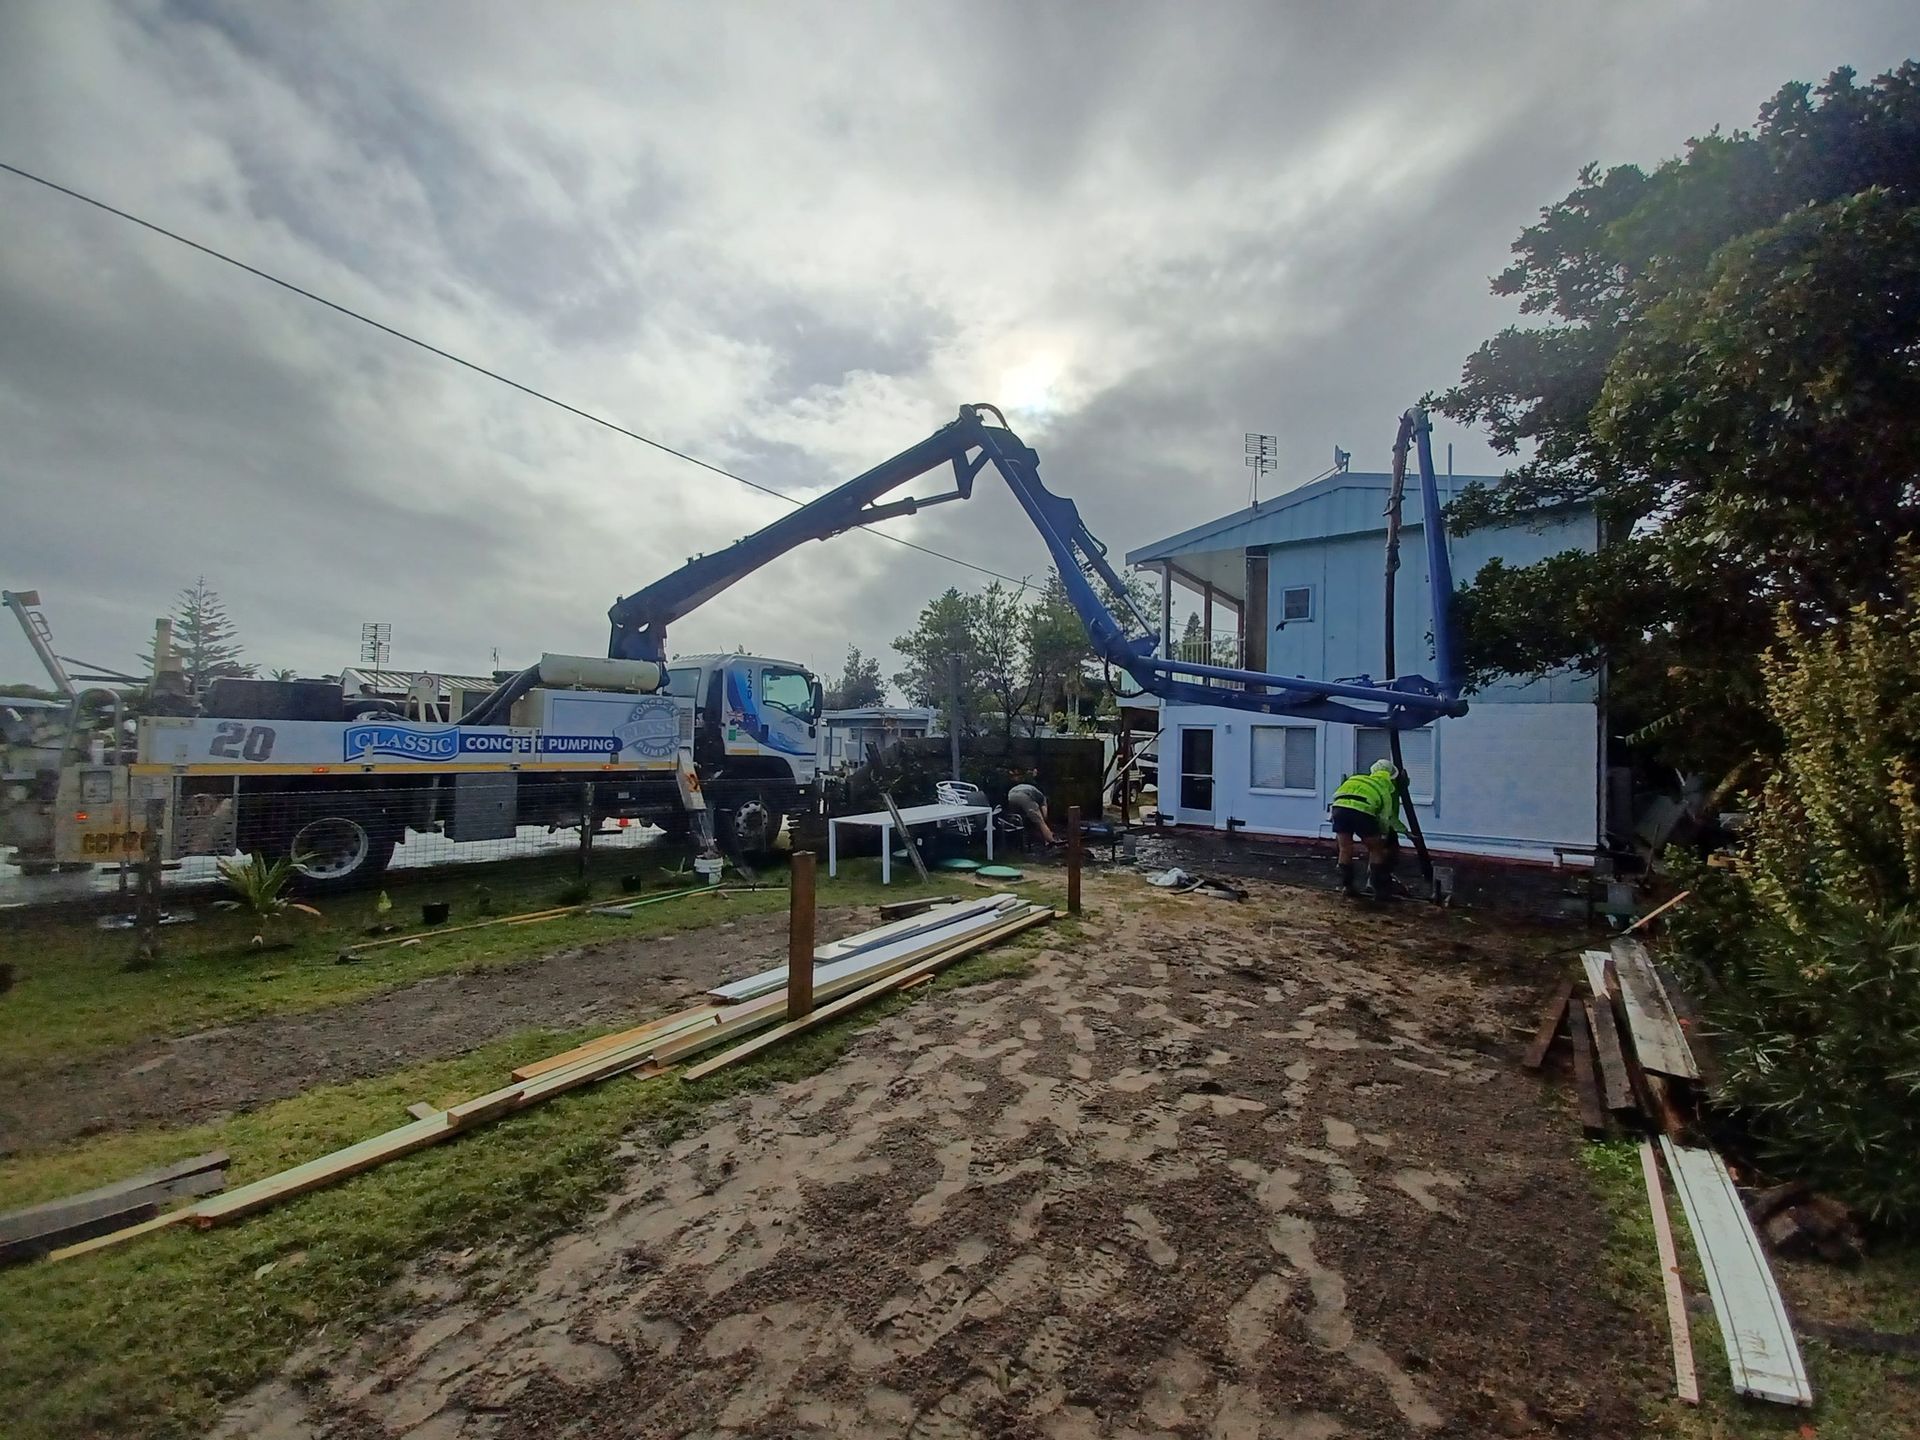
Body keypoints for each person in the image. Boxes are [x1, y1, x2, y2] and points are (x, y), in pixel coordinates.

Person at [1329, 759, 1402, 899]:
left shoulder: (1357, 778)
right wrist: (1383, 835)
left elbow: (1339, 796)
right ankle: (1377, 888)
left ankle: (1347, 887)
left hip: (1339, 808)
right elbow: (1384, 818)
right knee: (1375, 849)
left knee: (1345, 848)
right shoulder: (1384, 789)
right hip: (1362, 812)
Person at [1004, 780, 1059, 846]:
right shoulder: (1042, 797)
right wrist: (1043, 824)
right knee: (1040, 822)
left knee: (1017, 820)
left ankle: (1018, 843)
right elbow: (1044, 814)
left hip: (1010, 796)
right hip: (1024, 796)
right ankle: (1051, 841)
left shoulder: (1029, 788)